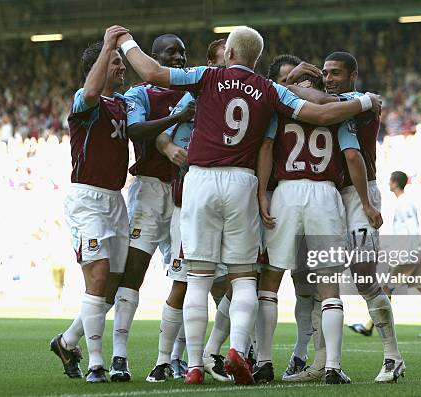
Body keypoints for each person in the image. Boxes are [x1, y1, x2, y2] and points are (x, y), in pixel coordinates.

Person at [117, 26, 381, 385]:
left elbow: (150, 72)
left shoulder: (207, 76)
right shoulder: (269, 89)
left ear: (228, 54)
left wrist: (123, 40)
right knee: (246, 277)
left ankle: (196, 365)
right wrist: (364, 101)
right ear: (257, 59)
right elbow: (321, 116)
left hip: (206, 178)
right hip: (251, 183)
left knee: (201, 277)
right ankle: (243, 351)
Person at [287, 51, 404, 383]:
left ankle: (393, 357)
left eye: (336, 72)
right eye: (325, 72)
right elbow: (319, 99)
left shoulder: (353, 101)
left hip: (358, 193)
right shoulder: (344, 101)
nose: (328, 77)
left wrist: (367, 205)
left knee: (364, 276)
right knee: (325, 281)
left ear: (353, 75)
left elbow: (352, 155)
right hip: (331, 195)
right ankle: (323, 363)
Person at [49, 25, 152, 383]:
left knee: (113, 283)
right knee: (98, 274)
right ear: (99, 66)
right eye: (115, 63)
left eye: (122, 63)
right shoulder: (84, 100)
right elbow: (92, 91)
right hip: (87, 198)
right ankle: (95, 363)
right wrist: (109, 42)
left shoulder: (125, 104)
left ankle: (67, 341)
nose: (122, 67)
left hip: (115, 199)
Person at [255, 72, 354, 384]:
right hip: (324, 193)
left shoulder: (282, 107)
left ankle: (264, 361)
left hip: (287, 190)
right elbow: (351, 154)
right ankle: (333, 367)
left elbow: (268, 148)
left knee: (271, 278)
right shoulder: (338, 110)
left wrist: (261, 193)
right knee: (329, 286)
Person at [145, 38, 232, 384]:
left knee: (238, 284)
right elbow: (163, 132)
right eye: (224, 59)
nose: (230, 65)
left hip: (231, 201)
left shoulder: (246, 95)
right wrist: (169, 149)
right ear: (210, 63)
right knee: (184, 281)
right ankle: (165, 360)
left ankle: (211, 353)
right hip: (192, 199)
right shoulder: (197, 90)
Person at [111, 33, 195, 382]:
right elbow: (135, 130)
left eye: (183, 52)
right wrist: (176, 120)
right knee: (134, 271)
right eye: (170, 53)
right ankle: (118, 356)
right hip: (148, 190)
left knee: (183, 275)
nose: (179, 57)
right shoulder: (139, 94)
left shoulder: (196, 89)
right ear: (154, 57)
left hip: (185, 193)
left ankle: (168, 359)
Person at [348, 171, 421, 338]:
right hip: (410, 253)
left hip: (405, 255)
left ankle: (369, 325)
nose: (388, 184)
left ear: (394, 183)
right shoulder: (404, 203)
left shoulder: (404, 204)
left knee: (385, 290)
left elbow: (410, 229)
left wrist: (410, 252)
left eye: (390, 180)